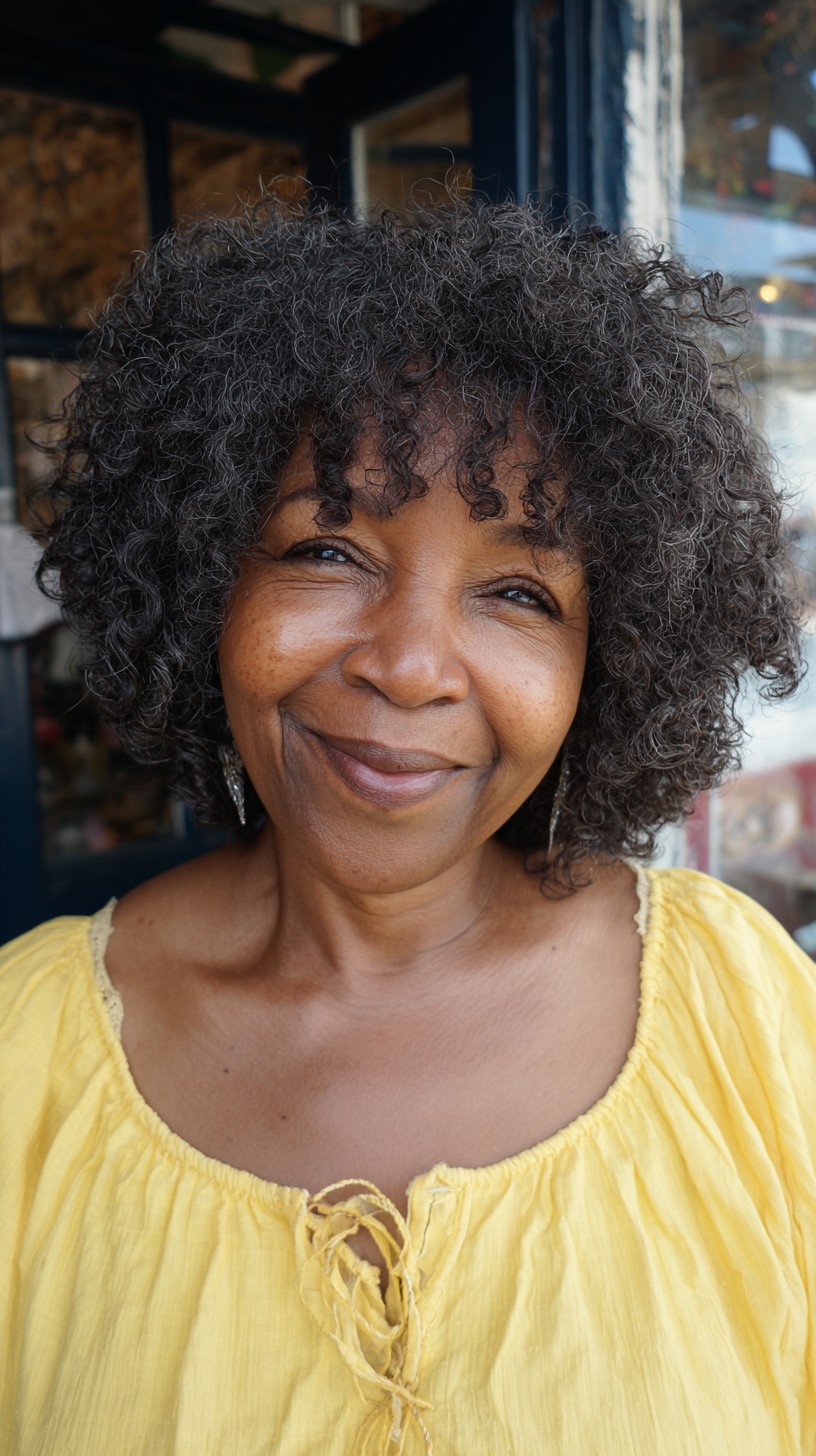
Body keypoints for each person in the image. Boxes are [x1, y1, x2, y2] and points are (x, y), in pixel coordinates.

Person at [1, 198, 814, 1456]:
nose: (412, 666)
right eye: (327, 549)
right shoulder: (24, 1063)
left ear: (612, 654)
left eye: (516, 590)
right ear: (205, 576)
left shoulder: (746, 1011)